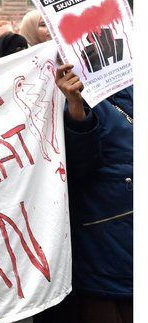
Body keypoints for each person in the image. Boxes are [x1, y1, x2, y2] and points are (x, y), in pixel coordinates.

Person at [37, 69, 133, 323]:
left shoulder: (130, 77)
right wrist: (76, 112)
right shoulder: (59, 87)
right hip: (105, 255)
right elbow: (75, 167)